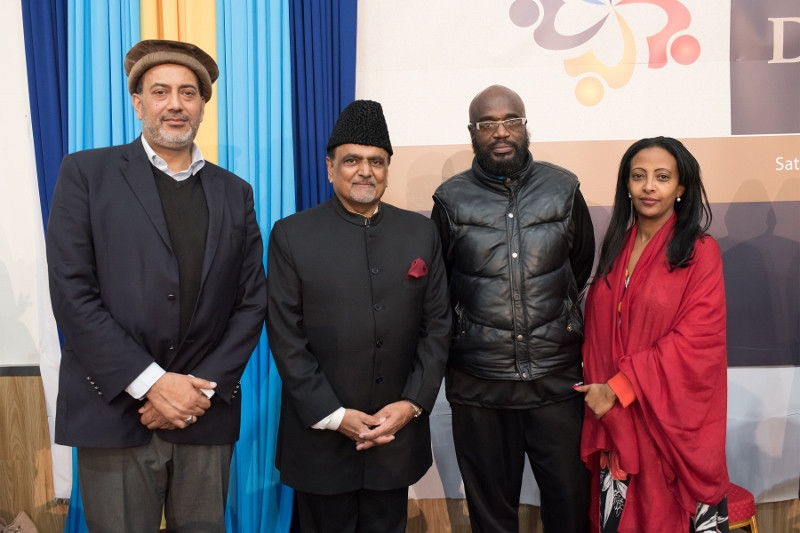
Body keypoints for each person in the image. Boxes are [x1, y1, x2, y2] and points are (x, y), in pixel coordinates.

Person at [46, 39, 267, 531]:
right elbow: (72, 292)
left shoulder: (235, 192)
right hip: (114, 410)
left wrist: (195, 393)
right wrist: (153, 384)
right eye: (160, 91)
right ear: (138, 102)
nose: (175, 104)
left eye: (188, 93)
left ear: (203, 106)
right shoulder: (86, 173)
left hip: (203, 413)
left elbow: (252, 302)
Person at [266, 100, 451, 533]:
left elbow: (438, 326)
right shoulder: (292, 235)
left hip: (395, 437)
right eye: (352, 160)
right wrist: (334, 415)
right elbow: (286, 337)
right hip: (320, 439)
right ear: (330, 168)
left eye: (376, 161)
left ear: (387, 169)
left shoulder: (420, 232)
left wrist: (411, 404)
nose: (365, 171)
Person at [431, 84, 594, 532]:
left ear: (525, 126)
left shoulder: (564, 188)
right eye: (488, 124)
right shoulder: (449, 199)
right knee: (492, 519)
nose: (500, 132)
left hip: (556, 383)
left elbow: (578, 267)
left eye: (510, 121)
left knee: (570, 509)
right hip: (480, 388)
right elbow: (440, 288)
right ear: (472, 132)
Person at [575, 137, 729, 532]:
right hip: (616, 421)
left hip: (665, 424)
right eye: (638, 176)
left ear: (681, 188)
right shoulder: (617, 246)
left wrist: (620, 386)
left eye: (662, 177)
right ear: (626, 185)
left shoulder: (699, 251)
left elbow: (697, 341)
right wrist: (603, 392)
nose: (648, 187)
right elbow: (599, 330)